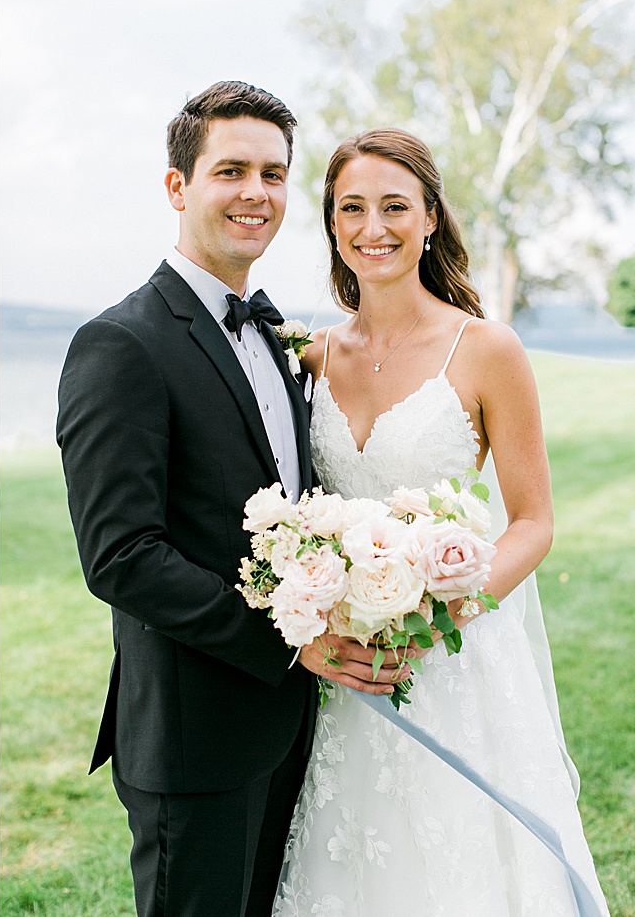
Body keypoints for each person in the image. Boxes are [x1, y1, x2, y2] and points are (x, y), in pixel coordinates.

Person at [56, 81, 402, 917]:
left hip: (289, 730)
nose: (257, 193)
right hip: (195, 738)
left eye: (276, 174)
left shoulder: (279, 339)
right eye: (232, 170)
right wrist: (290, 644)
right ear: (179, 187)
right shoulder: (121, 344)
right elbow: (121, 558)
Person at [272, 127, 609, 915]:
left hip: (457, 663)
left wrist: (443, 607)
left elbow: (531, 522)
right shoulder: (312, 357)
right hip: (354, 674)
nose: (372, 227)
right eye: (350, 208)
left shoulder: (487, 348)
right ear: (330, 224)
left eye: (395, 205)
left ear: (431, 218)